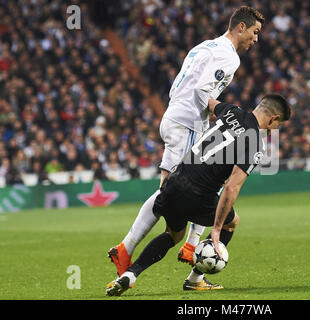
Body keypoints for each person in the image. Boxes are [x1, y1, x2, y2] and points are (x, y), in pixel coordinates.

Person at [108, 6, 265, 277]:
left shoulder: (203, 46)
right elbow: (202, 89)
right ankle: (183, 246)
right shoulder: (229, 57)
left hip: (174, 115)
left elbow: (183, 82)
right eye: (255, 31)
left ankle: (130, 249)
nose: (256, 39)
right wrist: (224, 113)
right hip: (189, 121)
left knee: (168, 190)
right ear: (241, 27)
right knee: (196, 183)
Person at [106, 93, 291, 296]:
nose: (274, 130)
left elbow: (207, 99)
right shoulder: (255, 142)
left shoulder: (231, 111)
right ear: (273, 118)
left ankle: (130, 275)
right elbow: (232, 188)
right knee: (232, 222)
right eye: (277, 125)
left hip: (174, 181)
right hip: (198, 194)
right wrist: (217, 229)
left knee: (173, 234)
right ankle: (195, 279)